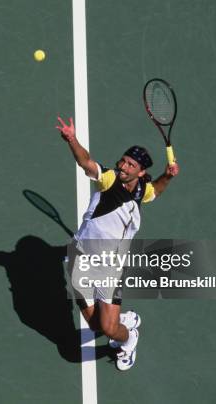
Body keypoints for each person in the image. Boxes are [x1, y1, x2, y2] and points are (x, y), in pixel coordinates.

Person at [55, 116, 179, 371]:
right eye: (123, 160)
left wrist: (168, 176)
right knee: (95, 326)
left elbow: (155, 191)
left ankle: (129, 338)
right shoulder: (109, 179)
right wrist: (72, 140)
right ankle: (124, 321)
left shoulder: (141, 189)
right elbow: (85, 162)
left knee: (110, 330)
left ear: (140, 172)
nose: (123, 165)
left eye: (130, 164)